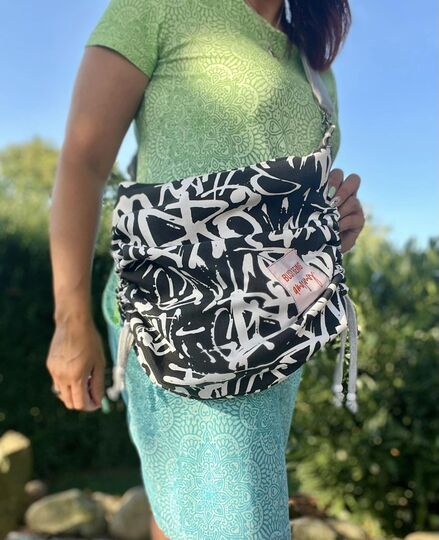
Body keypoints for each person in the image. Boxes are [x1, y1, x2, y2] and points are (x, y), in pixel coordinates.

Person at [46, 0, 365, 538]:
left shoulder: (315, 69)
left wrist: (335, 222)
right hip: (177, 314)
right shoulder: (159, 7)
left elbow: (283, 212)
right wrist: (70, 319)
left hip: (274, 328)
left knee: (182, 515)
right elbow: (84, 158)